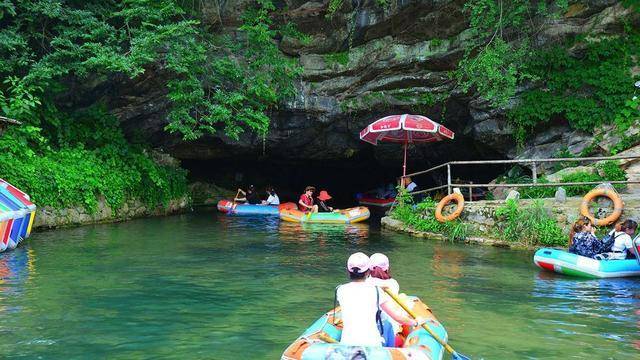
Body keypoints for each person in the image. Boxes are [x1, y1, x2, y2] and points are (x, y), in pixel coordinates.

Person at [336, 253, 422, 347]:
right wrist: (416, 322)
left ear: (348, 271)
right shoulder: (376, 291)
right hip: (373, 345)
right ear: (368, 272)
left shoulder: (340, 290)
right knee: (387, 324)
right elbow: (396, 318)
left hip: (346, 344)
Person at [365, 253, 402, 347]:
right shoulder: (393, 283)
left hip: (368, 329)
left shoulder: (365, 283)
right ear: (387, 268)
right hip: (389, 329)